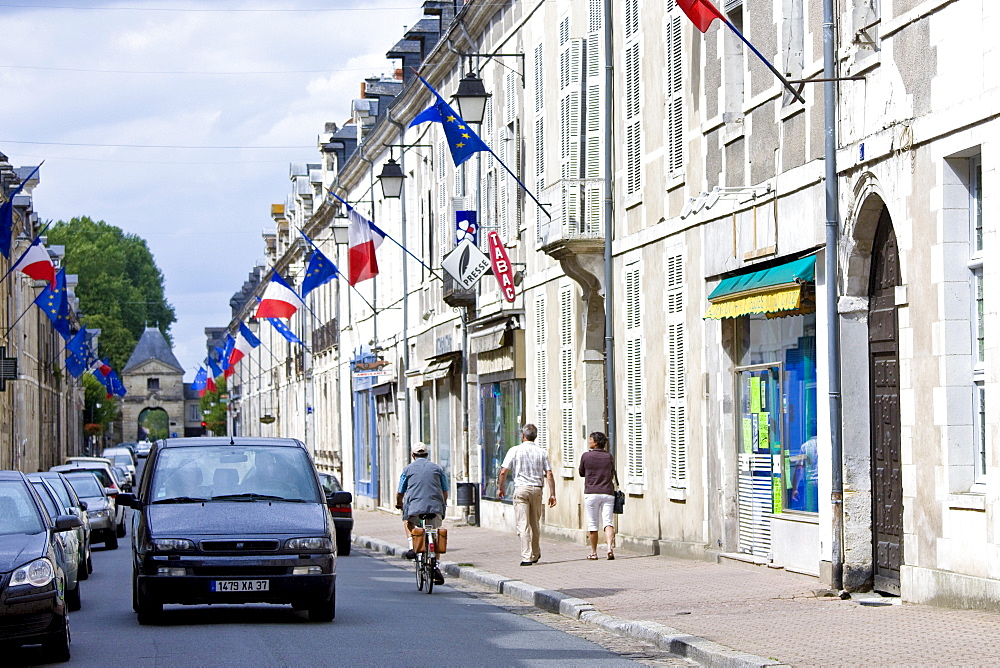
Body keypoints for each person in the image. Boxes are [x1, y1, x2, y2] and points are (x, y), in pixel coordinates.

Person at [497, 424, 556, 566]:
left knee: (523, 524)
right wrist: (553, 493)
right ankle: (535, 553)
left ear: (522, 436)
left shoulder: (515, 450)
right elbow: (549, 473)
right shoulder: (542, 452)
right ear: (535, 437)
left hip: (521, 489)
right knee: (535, 523)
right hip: (536, 489)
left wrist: (501, 487)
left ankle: (526, 556)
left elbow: (504, 471)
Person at [396, 442, 448, 585]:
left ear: (413, 455)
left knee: (408, 522)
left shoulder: (407, 470)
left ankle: (412, 547)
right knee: (435, 533)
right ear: (427, 455)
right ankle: (435, 564)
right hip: (435, 506)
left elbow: (400, 491)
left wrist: (399, 503)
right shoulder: (437, 468)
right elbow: (445, 491)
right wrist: (442, 504)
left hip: (415, 507)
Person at [578, 431, 617, 560]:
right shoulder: (609, 457)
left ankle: (594, 552)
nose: (589, 442)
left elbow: (581, 473)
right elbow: (612, 473)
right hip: (607, 492)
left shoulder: (586, 456)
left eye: (590, 439)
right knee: (608, 522)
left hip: (591, 492)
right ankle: (610, 548)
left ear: (595, 442)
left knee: (593, 523)